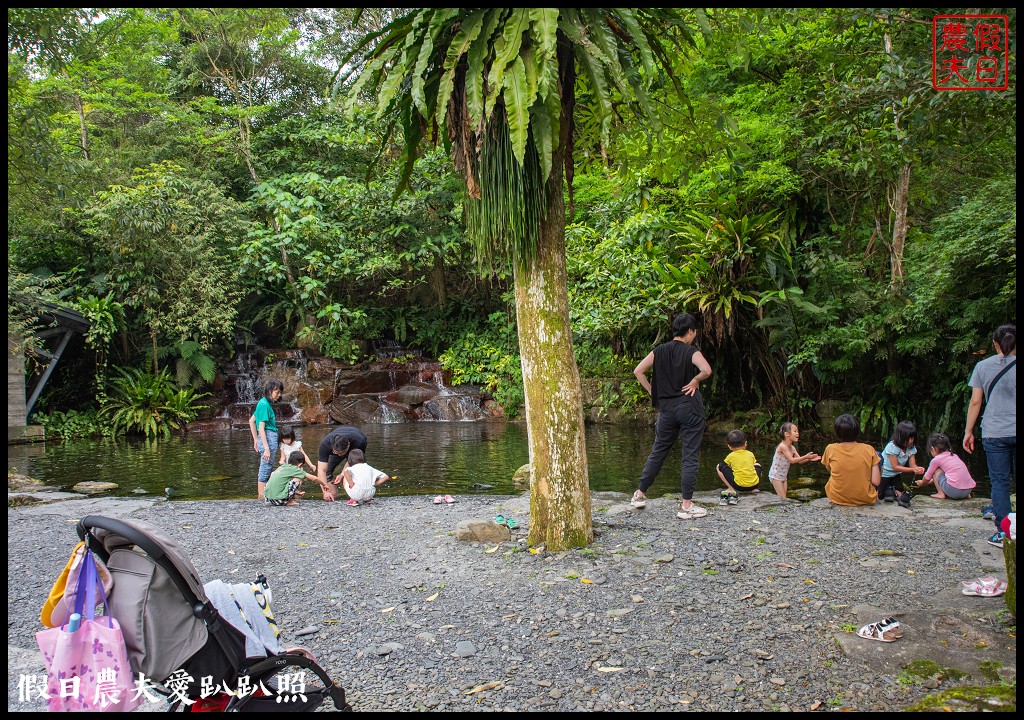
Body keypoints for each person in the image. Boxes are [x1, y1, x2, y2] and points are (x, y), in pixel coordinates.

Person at [631, 313, 713, 520]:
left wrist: (653, 392)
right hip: (689, 409)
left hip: (666, 410)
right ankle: (686, 506)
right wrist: (695, 380)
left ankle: (640, 495)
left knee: (658, 451)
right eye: (694, 332)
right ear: (691, 331)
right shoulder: (691, 351)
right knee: (690, 455)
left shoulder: (659, 351)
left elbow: (638, 371)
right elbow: (706, 370)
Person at [964, 323, 1016, 548]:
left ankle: (1004, 533)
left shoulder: (982, 366)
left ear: (995, 344)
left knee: (999, 482)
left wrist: (968, 431)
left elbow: (976, 401)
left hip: (994, 432)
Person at [821, 413, 881, 507]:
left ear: (837, 432)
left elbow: (830, 469)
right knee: (879, 455)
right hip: (865, 498)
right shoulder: (868, 449)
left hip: (837, 497)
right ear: (857, 431)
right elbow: (876, 481)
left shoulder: (830, 448)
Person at [248, 380, 284, 501]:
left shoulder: (263, 403)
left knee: (267, 467)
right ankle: (261, 496)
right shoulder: (264, 405)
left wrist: (255, 440)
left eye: (280, 392)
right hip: (268, 438)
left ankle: (264, 495)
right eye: (277, 392)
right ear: (269, 391)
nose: (279, 395)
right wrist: (266, 448)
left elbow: (251, 421)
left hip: (266, 439)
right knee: (266, 468)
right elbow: (261, 428)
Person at [767, 421, 821, 499]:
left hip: (783, 476)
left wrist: (809, 459)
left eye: (797, 431)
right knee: (782, 497)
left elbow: (800, 461)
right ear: (787, 434)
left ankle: (783, 510)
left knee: (784, 497)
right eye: (795, 431)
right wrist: (806, 456)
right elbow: (792, 460)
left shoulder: (792, 448)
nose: (797, 433)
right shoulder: (782, 446)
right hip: (775, 476)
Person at [915, 433, 976, 500]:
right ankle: (966, 496)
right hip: (968, 490)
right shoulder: (954, 456)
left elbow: (927, 476)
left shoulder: (936, 460)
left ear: (933, 449)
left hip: (954, 492)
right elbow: (945, 476)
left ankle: (940, 494)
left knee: (936, 470)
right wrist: (929, 482)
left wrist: (923, 483)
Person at [316, 426, 369, 502]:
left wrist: (342, 474)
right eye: (336, 452)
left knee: (354, 471)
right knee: (327, 471)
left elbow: (350, 464)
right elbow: (321, 470)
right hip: (337, 446)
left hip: (356, 444)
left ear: (348, 445)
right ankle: (332, 495)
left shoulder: (359, 441)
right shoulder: (325, 445)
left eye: (342, 453)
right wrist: (325, 491)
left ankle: (356, 495)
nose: (340, 455)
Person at [879, 421, 924, 509]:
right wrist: (912, 470)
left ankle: (891, 491)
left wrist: (917, 468)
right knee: (880, 496)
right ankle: (888, 490)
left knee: (900, 495)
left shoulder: (911, 448)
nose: (910, 441)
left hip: (896, 475)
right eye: (908, 439)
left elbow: (912, 464)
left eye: (912, 438)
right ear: (900, 437)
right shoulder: (892, 447)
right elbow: (895, 467)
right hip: (884, 474)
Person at [716, 429, 762, 505]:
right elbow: (752, 465)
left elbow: (724, 465)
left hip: (738, 486)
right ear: (746, 443)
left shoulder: (731, 456)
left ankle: (731, 488)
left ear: (729, 447)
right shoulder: (750, 454)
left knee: (719, 466)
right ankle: (754, 488)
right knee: (758, 465)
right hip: (754, 484)